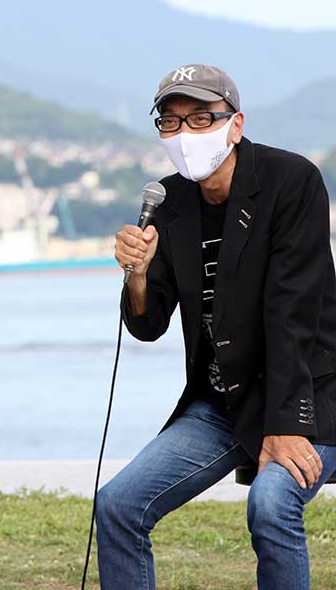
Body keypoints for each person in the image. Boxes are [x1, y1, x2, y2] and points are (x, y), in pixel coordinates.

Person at [97, 64, 336, 589]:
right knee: (117, 505)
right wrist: (137, 275)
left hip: (310, 393)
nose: (185, 134)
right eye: (171, 122)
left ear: (236, 123)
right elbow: (147, 324)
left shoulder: (290, 181)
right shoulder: (167, 201)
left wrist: (287, 423)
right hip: (222, 400)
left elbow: (292, 310)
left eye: (202, 118)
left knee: (271, 502)